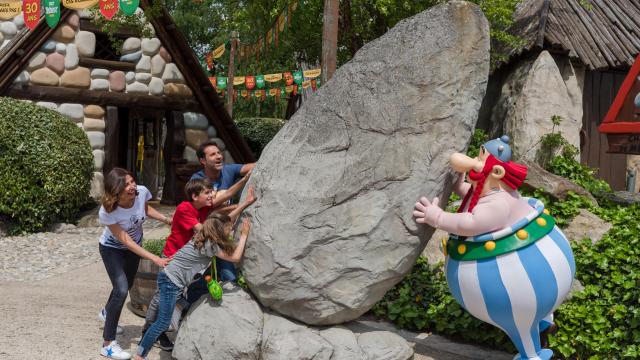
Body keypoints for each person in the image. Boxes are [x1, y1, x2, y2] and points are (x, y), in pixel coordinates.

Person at [413, 136, 575, 360]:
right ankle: (542, 325)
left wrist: (437, 217)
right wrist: (460, 184)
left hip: (517, 268)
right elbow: (474, 196)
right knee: (527, 317)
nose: (474, 160)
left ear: (496, 172)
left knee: (523, 319)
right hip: (538, 262)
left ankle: (532, 353)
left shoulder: (498, 203)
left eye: (480, 156)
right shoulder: (494, 191)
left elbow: (471, 224)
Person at [141, 178, 256, 351]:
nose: (212, 195)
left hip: (190, 260)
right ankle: (149, 333)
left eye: (211, 192)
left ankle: (171, 317)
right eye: (207, 192)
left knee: (187, 292)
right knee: (160, 301)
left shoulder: (204, 209)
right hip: (173, 258)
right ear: (195, 196)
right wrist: (241, 231)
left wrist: (245, 202)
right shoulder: (186, 209)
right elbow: (211, 230)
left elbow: (222, 221)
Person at [98, 167, 171, 360]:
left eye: (132, 181)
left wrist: (166, 219)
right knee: (121, 289)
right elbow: (126, 242)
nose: (132, 187)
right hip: (112, 249)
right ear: (115, 191)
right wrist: (154, 258)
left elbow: (145, 209)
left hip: (134, 247)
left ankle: (107, 312)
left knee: (126, 285)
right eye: (126, 185)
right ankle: (107, 344)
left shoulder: (142, 192)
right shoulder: (108, 210)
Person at [191, 140, 255, 281]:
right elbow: (210, 208)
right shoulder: (197, 180)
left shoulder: (229, 169)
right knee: (223, 276)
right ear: (203, 160)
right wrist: (238, 203)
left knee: (224, 275)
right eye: (213, 154)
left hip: (224, 231)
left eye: (219, 153)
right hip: (206, 236)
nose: (219, 156)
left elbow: (255, 166)